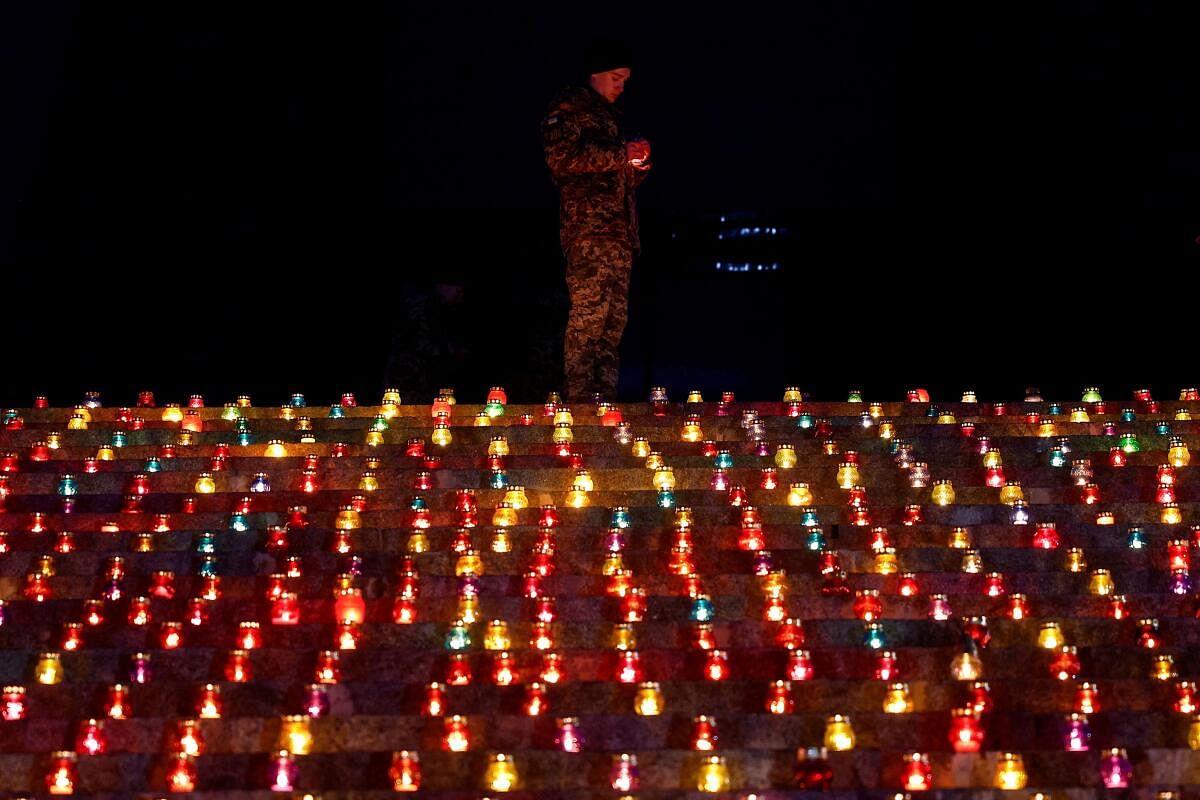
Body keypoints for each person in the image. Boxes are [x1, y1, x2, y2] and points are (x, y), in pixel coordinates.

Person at [542, 40, 651, 402]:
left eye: (625, 80)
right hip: (589, 231)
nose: (621, 86)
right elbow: (563, 160)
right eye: (616, 78)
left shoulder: (611, 118)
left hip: (620, 233)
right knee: (589, 315)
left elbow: (615, 176)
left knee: (612, 323)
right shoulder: (569, 109)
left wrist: (635, 165)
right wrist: (620, 154)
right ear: (595, 75)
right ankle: (577, 397)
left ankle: (604, 397)